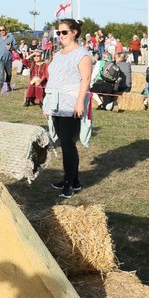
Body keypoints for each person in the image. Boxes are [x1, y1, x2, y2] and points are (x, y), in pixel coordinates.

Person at [42, 18, 93, 199]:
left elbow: (85, 80)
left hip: (71, 104)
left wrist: (79, 102)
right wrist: (47, 103)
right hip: (56, 102)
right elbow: (53, 79)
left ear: (74, 32)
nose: (60, 36)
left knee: (67, 143)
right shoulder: (58, 54)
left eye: (64, 32)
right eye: (58, 33)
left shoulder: (82, 54)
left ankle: (69, 184)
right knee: (63, 143)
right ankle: (73, 180)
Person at [0, 25, 18, 92]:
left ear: (5, 30)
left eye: (3, 30)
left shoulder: (11, 37)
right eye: (0, 30)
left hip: (8, 58)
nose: (2, 31)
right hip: (0, 58)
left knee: (9, 74)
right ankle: (2, 87)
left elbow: (15, 46)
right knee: (1, 74)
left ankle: (8, 85)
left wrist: (11, 48)